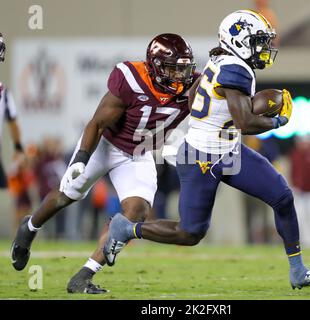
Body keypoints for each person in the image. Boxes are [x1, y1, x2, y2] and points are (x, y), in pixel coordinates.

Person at [103, 10, 310, 290]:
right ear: (239, 40)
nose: (264, 48)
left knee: (282, 197)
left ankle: (298, 270)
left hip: (227, 150)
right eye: (258, 41)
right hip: (201, 157)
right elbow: (245, 122)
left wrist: (215, 119)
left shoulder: (222, 59)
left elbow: (192, 97)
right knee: (190, 233)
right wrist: (278, 120)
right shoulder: (236, 70)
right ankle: (127, 229)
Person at [11, 33, 199, 294]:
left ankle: (84, 275)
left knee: (136, 211)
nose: (180, 76)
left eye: (184, 69)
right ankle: (30, 227)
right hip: (106, 145)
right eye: (172, 69)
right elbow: (97, 123)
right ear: (155, 66)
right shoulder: (131, 78)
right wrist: (81, 159)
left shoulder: (195, 86)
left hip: (141, 153)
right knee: (67, 195)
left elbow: (223, 94)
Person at [0, 33, 25, 190]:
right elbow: (14, 123)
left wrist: (18, 147)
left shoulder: (4, 93)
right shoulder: (4, 93)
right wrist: (17, 147)